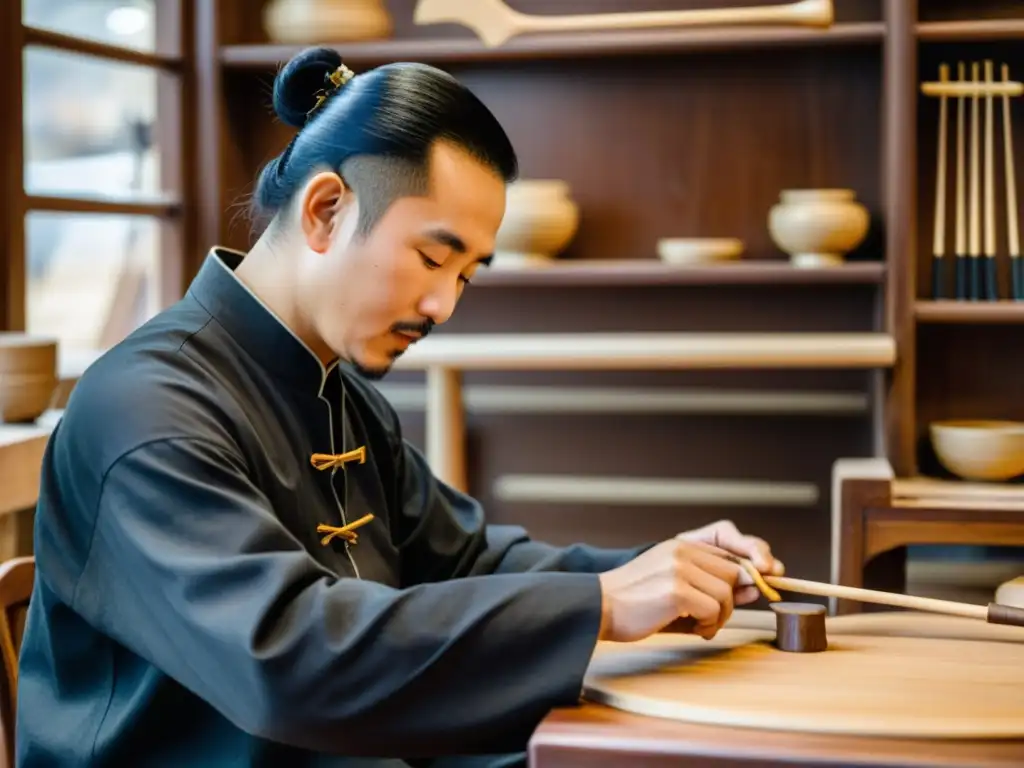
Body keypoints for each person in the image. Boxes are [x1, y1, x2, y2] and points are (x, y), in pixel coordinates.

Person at [15, 48, 784, 767]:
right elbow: (286, 659)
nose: (443, 303)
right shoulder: (144, 408)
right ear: (324, 211)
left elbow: (468, 563)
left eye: (467, 276)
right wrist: (599, 606)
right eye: (432, 257)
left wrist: (661, 570)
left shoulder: (338, 393)